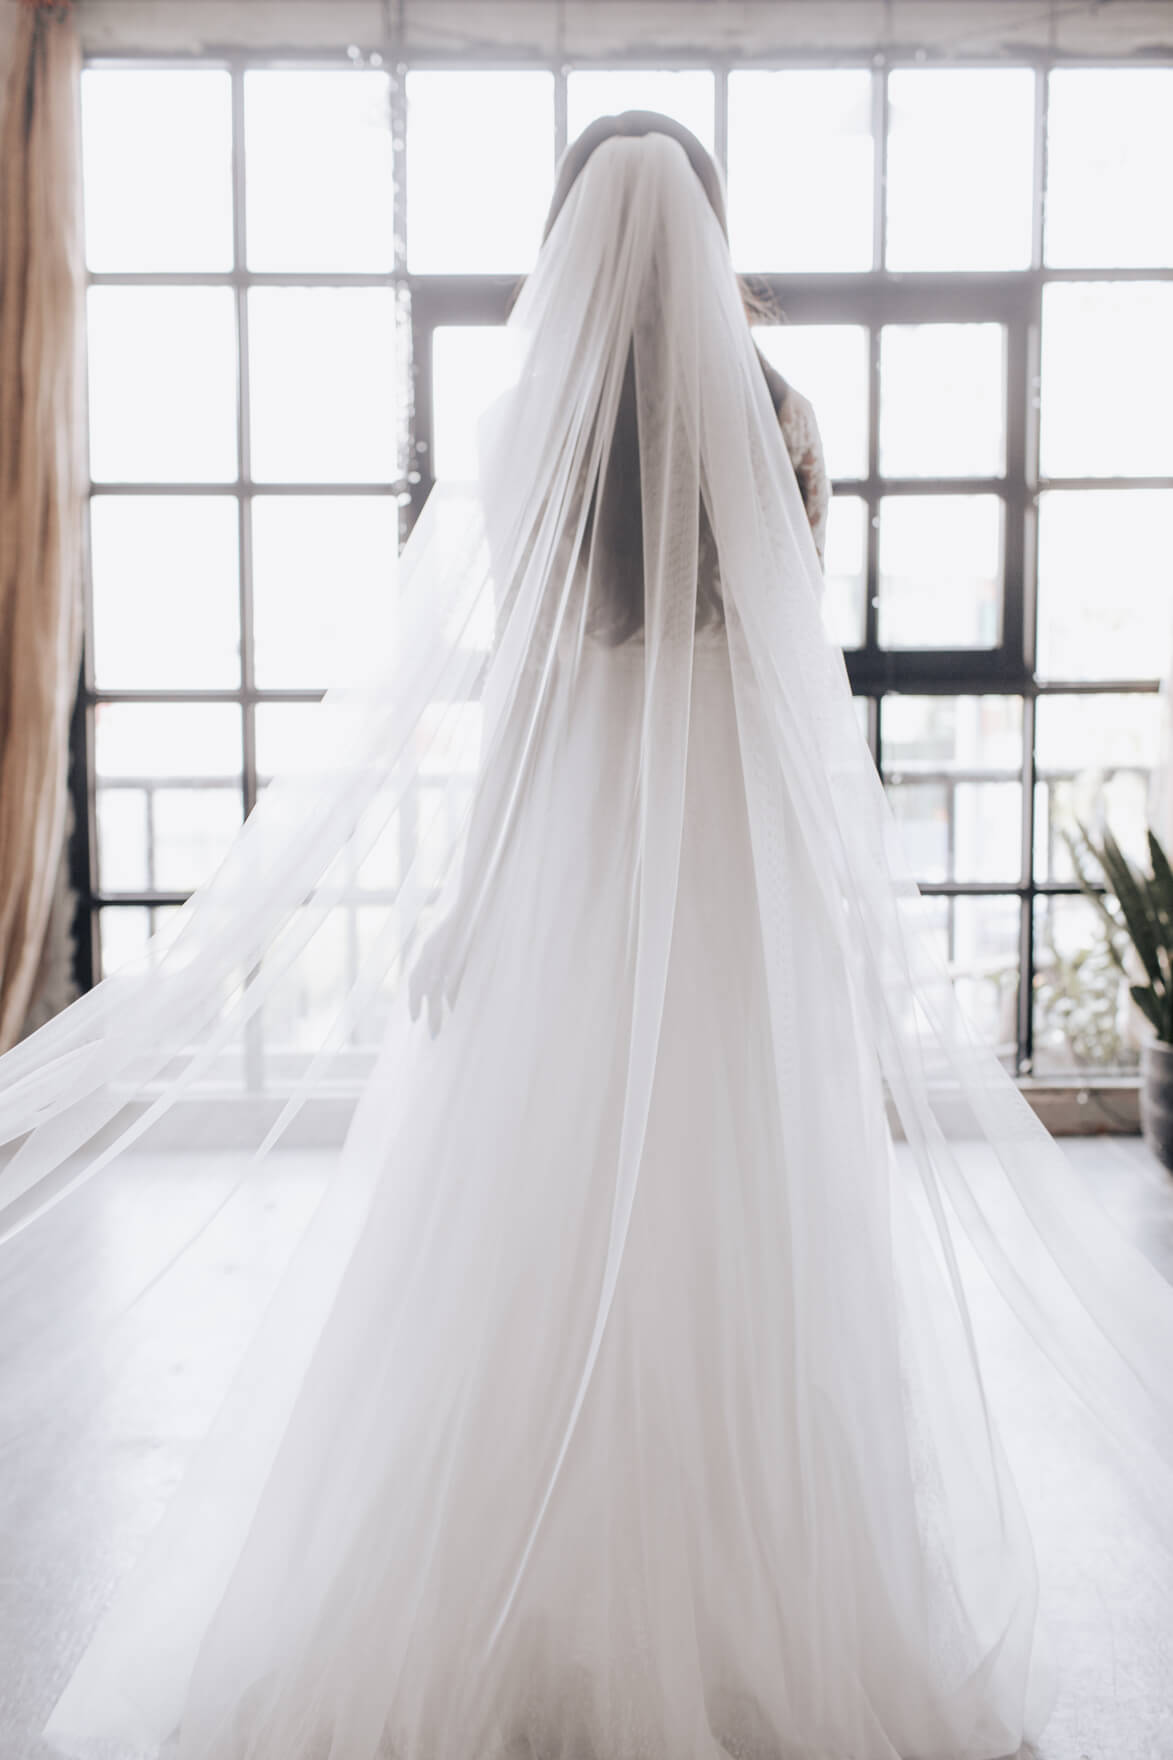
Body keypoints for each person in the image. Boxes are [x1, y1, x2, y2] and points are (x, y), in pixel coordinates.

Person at [1, 114, 1172, 1760]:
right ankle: (746, 1574)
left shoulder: (523, 423)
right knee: (741, 1198)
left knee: (527, 1198)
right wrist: (835, 892)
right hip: (729, 852)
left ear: (564, 238)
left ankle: (533, 1574)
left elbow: (524, 697)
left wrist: (472, 899)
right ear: (709, 230)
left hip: (577, 833)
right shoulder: (781, 420)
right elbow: (787, 679)